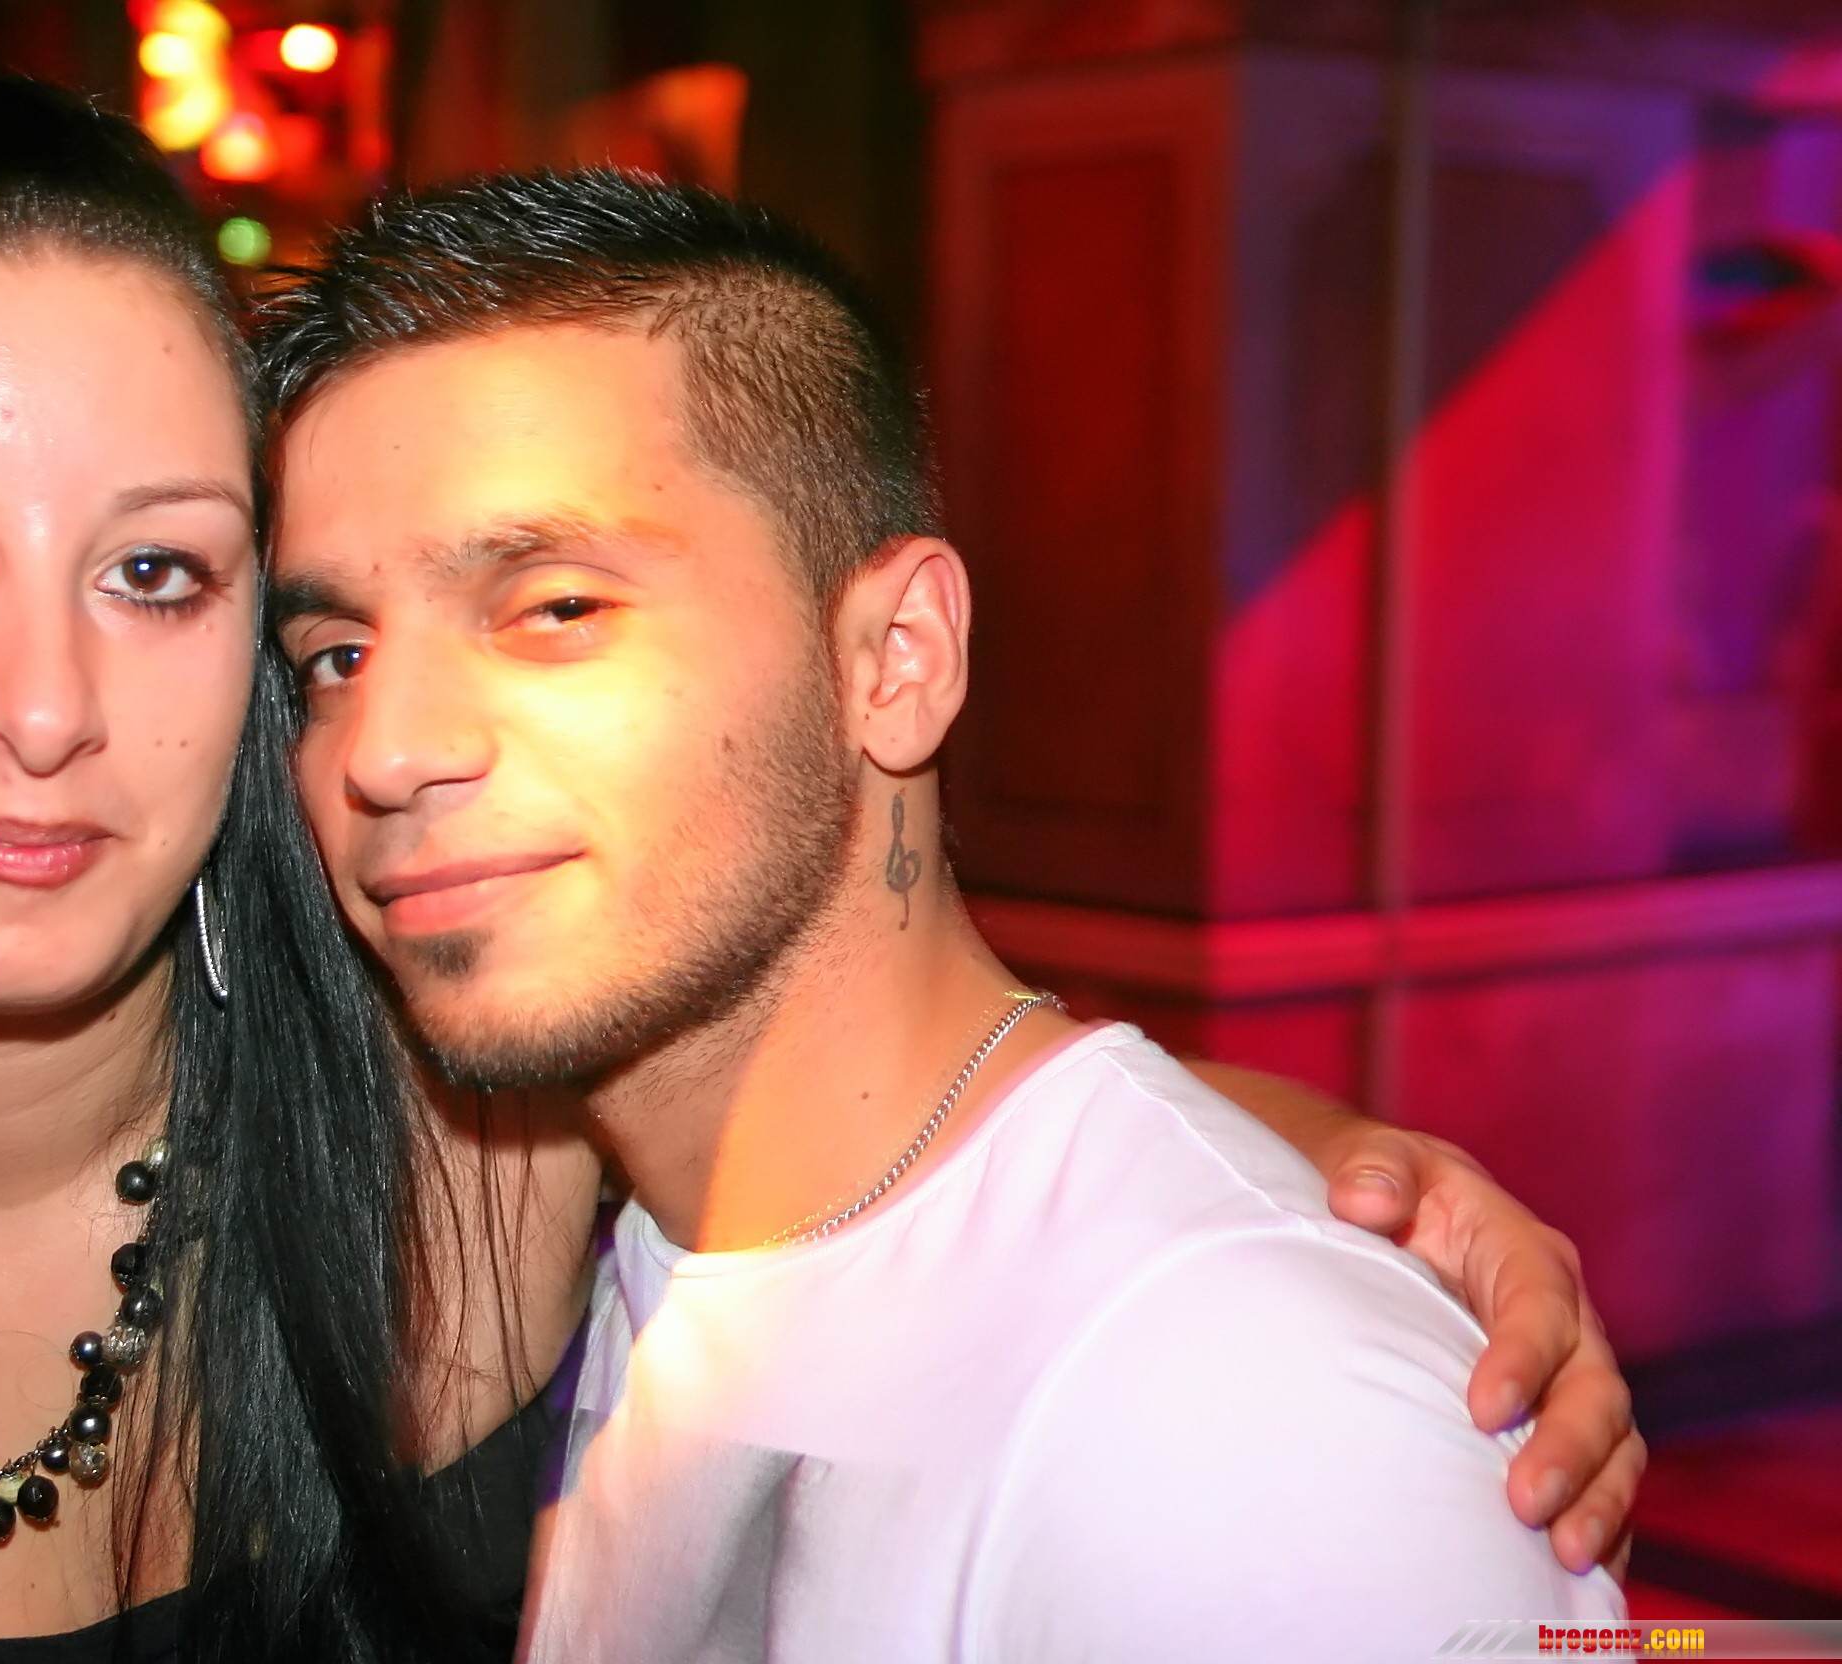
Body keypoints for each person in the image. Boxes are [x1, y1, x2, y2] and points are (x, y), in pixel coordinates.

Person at [0, 82, 1624, 1662]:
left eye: (160, 571)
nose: (39, 703)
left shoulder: (465, 1144)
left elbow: (908, 1131)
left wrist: (1336, 1195)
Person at [258, 169, 1637, 1662]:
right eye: (336, 653)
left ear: (896, 657)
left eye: (555, 607)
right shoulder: (564, 1225)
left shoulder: (1247, 1412)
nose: (384, 749)